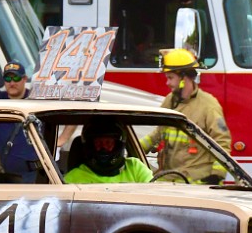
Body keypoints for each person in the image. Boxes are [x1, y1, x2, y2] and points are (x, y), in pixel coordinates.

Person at [139, 48, 232, 184]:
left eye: (170, 78)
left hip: (197, 183)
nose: (167, 83)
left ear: (184, 78)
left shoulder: (208, 105)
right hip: (170, 180)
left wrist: (216, 175)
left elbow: (222, 142)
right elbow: (158, 133)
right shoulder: (169, 101)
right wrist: (133, 148)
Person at [64, 119, 153, 183]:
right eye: (98, 143)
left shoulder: (135, 168)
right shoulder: (73, 178)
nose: (103, 147)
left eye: (108, 142)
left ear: (118, 144)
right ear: (90, 145)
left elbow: (154, 194)